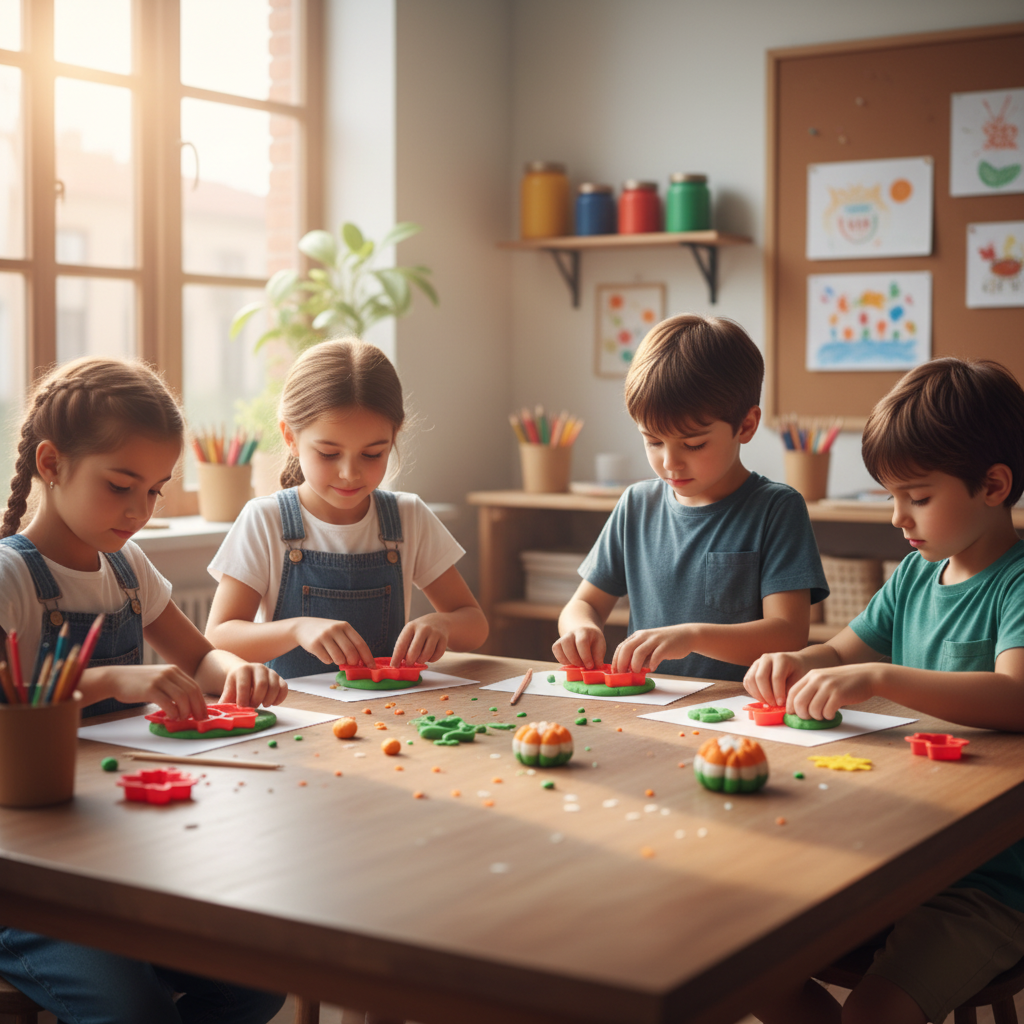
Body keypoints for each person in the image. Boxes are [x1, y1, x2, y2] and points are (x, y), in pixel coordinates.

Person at [0, 356, 286, 1024]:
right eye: (120, 485)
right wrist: (106, 677)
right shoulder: (11, 576)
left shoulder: (128, 566)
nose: (139, 510)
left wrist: (233, 674)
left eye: (156, 491)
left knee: (257, 981)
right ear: (51, 462)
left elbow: (198, 655)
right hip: (29, 878)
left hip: (121, 852)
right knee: (135, 1011)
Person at [746, 358, 1024, 1024]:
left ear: (993, 485)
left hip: (987, 883)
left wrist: (878, 677)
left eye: (918, 496)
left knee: (875, 1011)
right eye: (889, 496)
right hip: (894, 855)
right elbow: (840, 650)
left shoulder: (1016, 583)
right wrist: (795, 661)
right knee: (741, 964)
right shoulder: (913, 577)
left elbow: (1016, 698)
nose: (898, 516)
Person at [554, 313, 827, 679]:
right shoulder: (636, 505)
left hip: (737, 714)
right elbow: (583, 603)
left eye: (694, 444)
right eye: (652, 441)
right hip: (651, 707)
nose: (670, 462)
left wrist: (693, 636)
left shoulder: (776, 509)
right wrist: (580, 628)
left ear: (746, 425)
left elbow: (789, 635)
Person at [206, 338, 488, 677]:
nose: (350, 473)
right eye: (328, 453)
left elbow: (475, 625)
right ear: (290, 437)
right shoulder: (266, 520)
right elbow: (219, 637)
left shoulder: (408, 516)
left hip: (387, 715)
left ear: (393, 438)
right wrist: (297, 629)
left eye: (372, 454)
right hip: (297, 715)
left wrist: (443, 623)